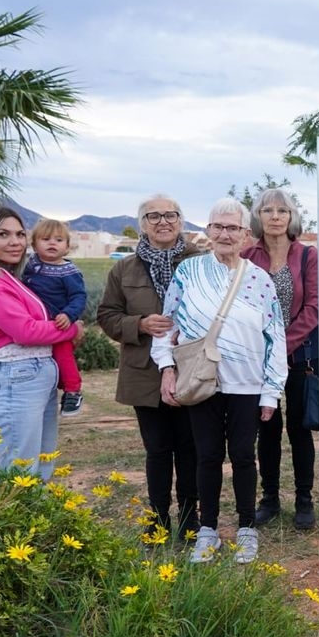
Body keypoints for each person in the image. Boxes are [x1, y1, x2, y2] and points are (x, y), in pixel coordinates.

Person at [151, 198, 288, 564]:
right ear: (208, 231)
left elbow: (275, 336)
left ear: (246, 234)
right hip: (201, 383)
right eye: (218, 227)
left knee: (244, 456)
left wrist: (271, 392)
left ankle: (246, 529)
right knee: (206, 457)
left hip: (248, 385)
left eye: (233, 228)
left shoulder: (260, 280)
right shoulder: (188, 273)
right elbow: (167, 325)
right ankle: (207, 530)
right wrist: (166, 367)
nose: (225, 234)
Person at [0, 206, 83, 480]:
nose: (15, 241)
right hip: (16, 377)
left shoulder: (5, 276)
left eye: (20, 234)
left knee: (38, 471)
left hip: (32, 375)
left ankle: (32, 524)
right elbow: (25, 331)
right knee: (17, 475)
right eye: (3, 234)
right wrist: (71, 330)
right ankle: (10, 525)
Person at [97, 194, 202, 543]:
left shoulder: (200, 262)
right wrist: (139, 324)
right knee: (157, 449)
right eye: (153, 216)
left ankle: (190, 519)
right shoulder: (123, 269)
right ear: (142, 224)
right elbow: (107, 316)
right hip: (144, 372)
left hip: (190, 367)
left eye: (171, 214)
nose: (163, 222)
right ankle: (157, 519)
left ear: (181, 221)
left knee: (189, 448)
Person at [242, 188, 319, 531]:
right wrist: (265, 351)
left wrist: (281, 346)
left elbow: (314, 307)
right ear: (258, 217)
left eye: (282, 211)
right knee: (267, 430)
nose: (275, 216)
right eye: (268, 210)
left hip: (299, 356)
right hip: (256, 359)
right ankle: (269, 499)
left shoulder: (307, 255)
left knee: (299, 430)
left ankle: (304, 500)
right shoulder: (246, 256)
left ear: (292, 217)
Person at [21, 219, 87, 416]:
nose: (52, 243)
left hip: (58, 323)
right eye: (46, 239)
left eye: (59, 240)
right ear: (34, 245)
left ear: (67, 247)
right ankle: (58, 384)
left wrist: (69, 314)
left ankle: (73, 390)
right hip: (35, 323)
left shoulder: (68, 271)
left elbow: (79, 296)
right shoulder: (30, 265)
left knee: (62, 354)